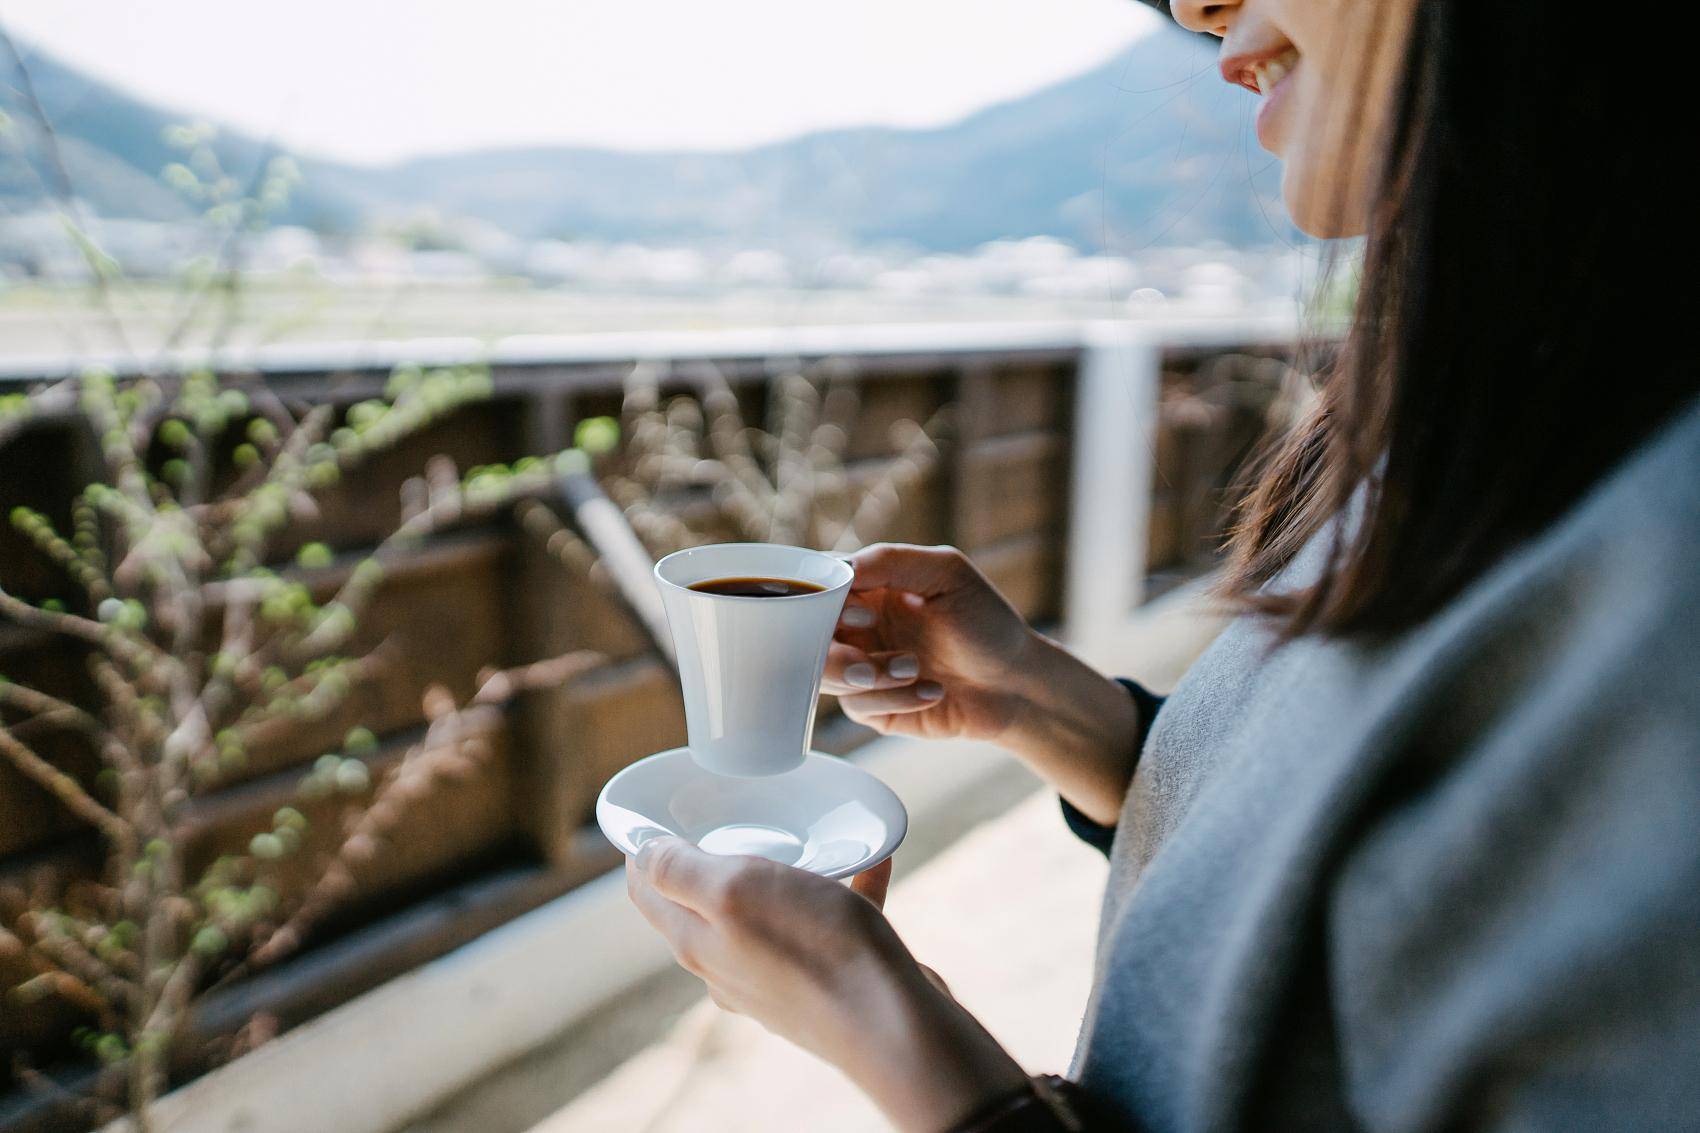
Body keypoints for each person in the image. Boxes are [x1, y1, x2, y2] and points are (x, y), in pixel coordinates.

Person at [624, 0, 1700, 1128]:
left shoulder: (1661, 577)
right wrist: (1054, 710)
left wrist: (889, 1028)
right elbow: (1391, 866)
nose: (1194, 5)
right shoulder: (1495, 434)